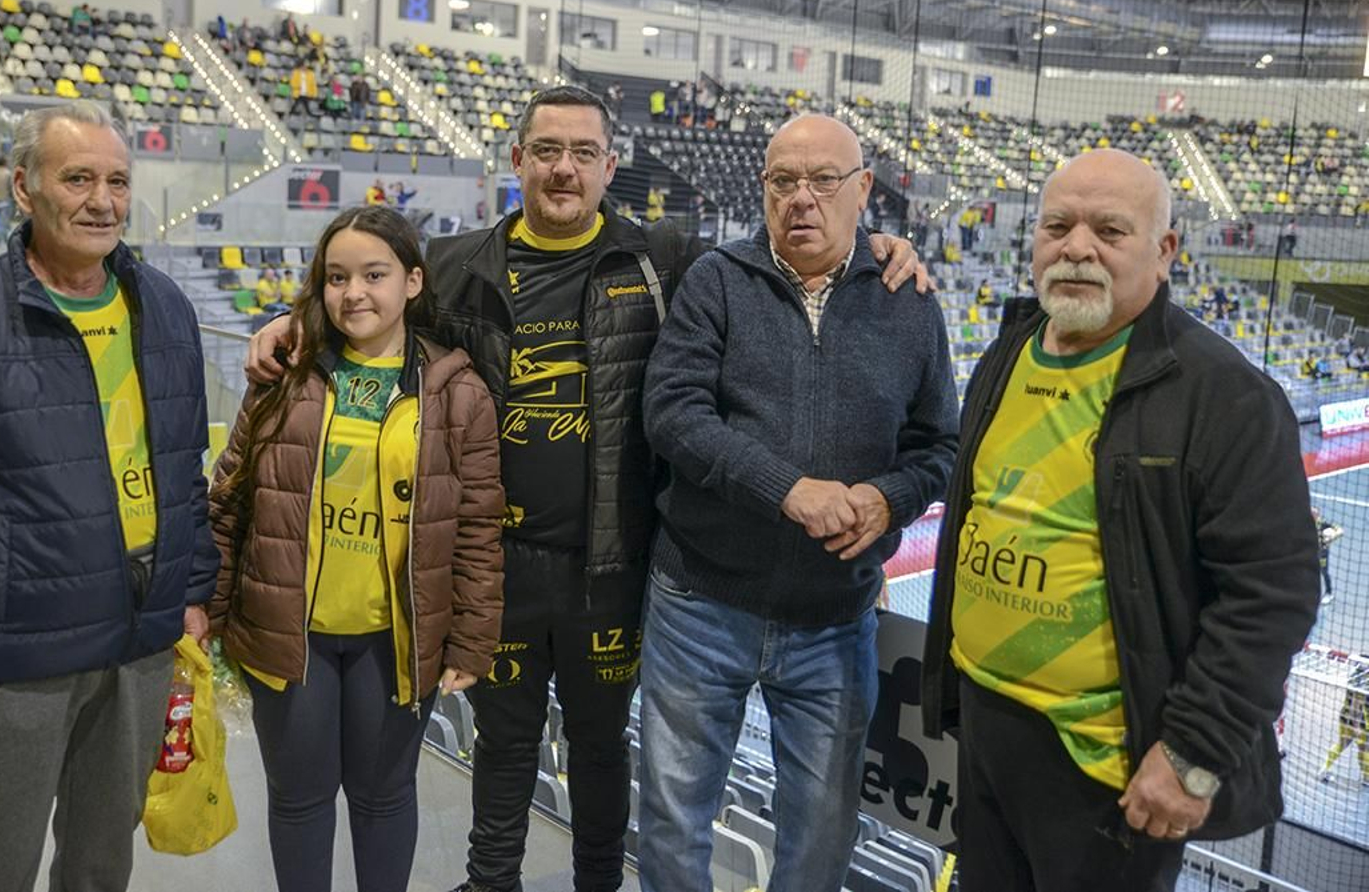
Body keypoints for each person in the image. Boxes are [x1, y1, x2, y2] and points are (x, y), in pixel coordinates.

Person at [244, 85, 931, 892]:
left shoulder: (665, 261)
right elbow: (370, 300)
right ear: (517, 161)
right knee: (503, 743)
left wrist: (875, 243)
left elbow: (787, 244)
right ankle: (491, 883)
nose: (563, 169)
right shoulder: (460, 267)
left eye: (581, 153)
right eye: (546, 152)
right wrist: (294, 323)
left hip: (612, 563)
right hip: (498, 559)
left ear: (610, 166)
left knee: (602, 748)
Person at [921, 148, 1318, 892]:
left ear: (1164, 251)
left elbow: (1274, 595)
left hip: (1107, 767)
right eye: (1057, 226)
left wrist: (1192, 754)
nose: (1077, 247)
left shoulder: (1225, 396)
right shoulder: (1008, 354)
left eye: (1109, 230)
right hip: (986, 727)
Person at [0, 101, 219, 892]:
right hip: (15, 651)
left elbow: (182, 467)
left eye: (117, 181)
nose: (103, 201)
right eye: (78, 179)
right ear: (24, 189)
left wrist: (193, 591)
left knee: (101, 866)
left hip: (139, 644)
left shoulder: (164, 308)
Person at [638, 115, 958, 890]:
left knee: (821, 838)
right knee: (674, 824)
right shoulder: (717, 280)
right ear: (763, 189)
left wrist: (887, 500)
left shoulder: (909, 301)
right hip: (701, 603)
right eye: (783, 181)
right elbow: (673, 414)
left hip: (835, 620)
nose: (801, 199)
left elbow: (940, 448)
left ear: (864, 190)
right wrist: (786, 490)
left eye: (823, 181)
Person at [208, 206, 505, 892]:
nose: (354, 293)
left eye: (374, 275)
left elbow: (477, 526)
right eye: (337, 277)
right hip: (291, 631)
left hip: (392, 638)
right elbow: (229, 500)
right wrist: (209, 609)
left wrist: (471, 640)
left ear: (412, 281)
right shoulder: (285, 374)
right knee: (299, 799)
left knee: (383, 797)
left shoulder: (457, 392)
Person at [1319, 664, 1369, 785]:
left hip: (1344, 718)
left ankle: (1323, 769)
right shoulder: (1365, 681)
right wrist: (1357, 726)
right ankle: (1367, 778)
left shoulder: (1355, 676)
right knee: (1365, 749)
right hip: (1360, 723)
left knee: (1342, 744)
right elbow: (1356, 705)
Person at [1317, 508, 1344, 607]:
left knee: (1324, 572)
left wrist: (1332, 537)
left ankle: (1329, 593)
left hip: (1322, 554)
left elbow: (1340, 530)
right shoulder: (1307, 523)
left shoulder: (1322, 524)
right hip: (1311, 551)